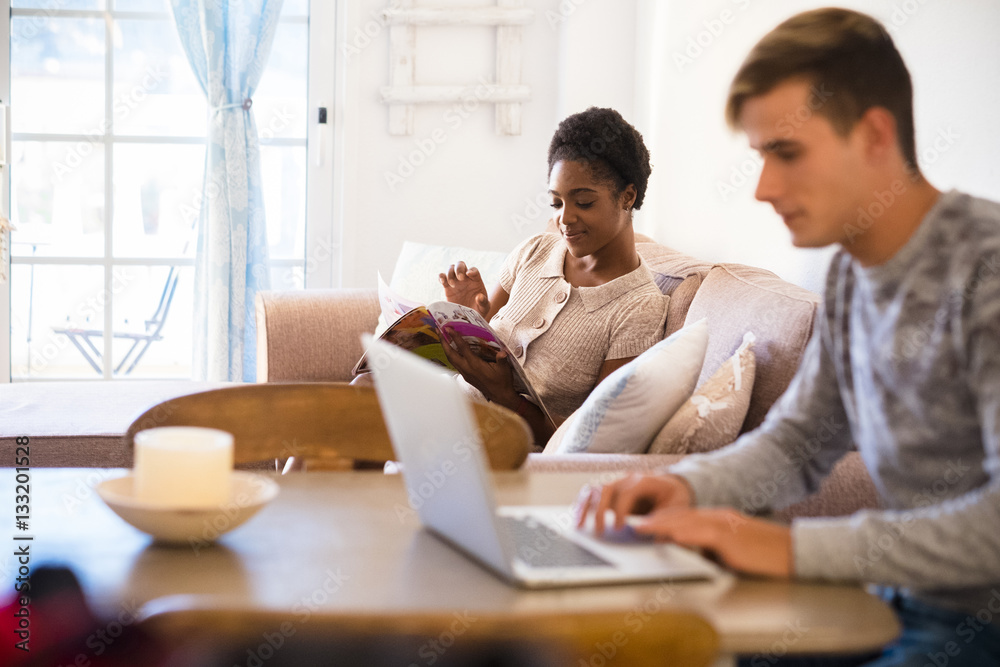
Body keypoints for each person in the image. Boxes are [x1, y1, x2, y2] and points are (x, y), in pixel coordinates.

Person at [575, 8, 1000, 666]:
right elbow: (799, 443)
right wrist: (688, 487)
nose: (765, 188)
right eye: (761, 156)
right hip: (889, 598)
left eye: (788, 153)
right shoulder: (855, 276)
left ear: (875, 135)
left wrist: (789, 548)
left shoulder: (987, 269)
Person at [439, 107, 668, 447]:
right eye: (557, 203)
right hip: (450, 406)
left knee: (360, 417)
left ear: (627, 196)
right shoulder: (535, 251)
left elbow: (590, 438)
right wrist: (470, 316)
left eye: (584, 203)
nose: (565, 219)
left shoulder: (639, 309)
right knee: (363, 390)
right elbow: (487, 352)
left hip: (500, 444)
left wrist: (504, 394)